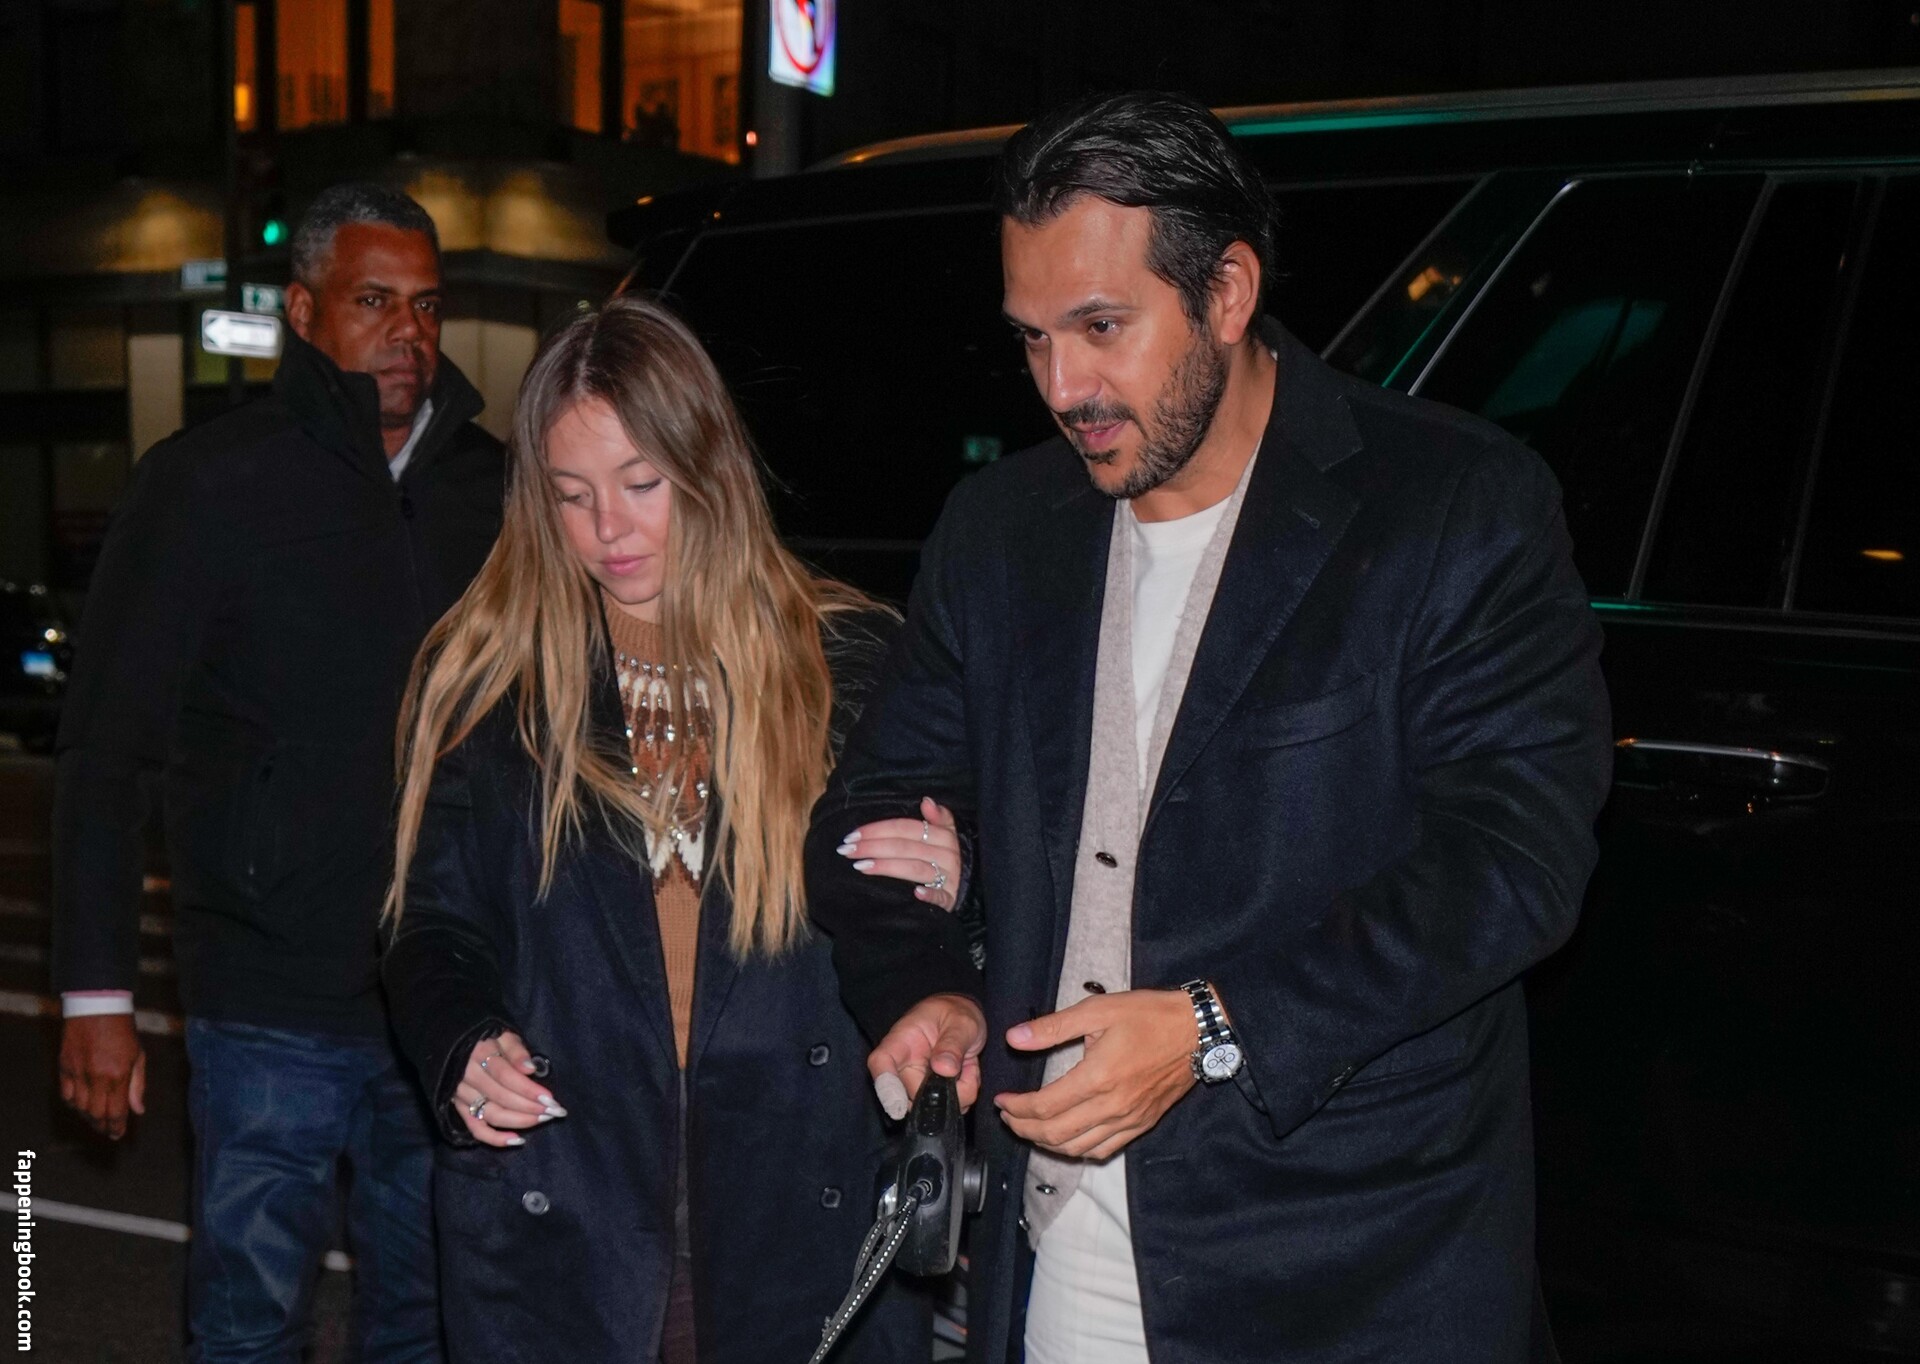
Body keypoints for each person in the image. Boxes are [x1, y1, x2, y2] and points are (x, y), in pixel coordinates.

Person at [805, 91, 1614, 1363]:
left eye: (1102, 327)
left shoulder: (1453, 504)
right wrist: (928, 986)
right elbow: (873, 805)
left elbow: (1514, 860)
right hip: (1064, 1249)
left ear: (1227, 292)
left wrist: (1212, 1020)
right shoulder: (1003, 529)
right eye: (1032, 339)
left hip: (1356, 1264)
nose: (1063, 386)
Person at [380, 295, 942, 1364]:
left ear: (708, 468)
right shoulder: (491, 677)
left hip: (795, 1203)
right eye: (572, 494)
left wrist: (955, 877)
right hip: (571, 1205)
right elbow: (430, 920)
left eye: (641, 483)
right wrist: (460, 1041)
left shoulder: (846, 657)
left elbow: (934, 929)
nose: (609, 529)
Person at [51, 182, 504, 1363]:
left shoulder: (495, 490)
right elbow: (106, 746)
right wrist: (96, 996)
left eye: (426, 305)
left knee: (433, 1322)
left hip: (449, 996)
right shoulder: (207, 483)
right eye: (372, 300)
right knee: (249, 1323)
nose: (407, 331)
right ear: (303, 313)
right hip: (266, 996)